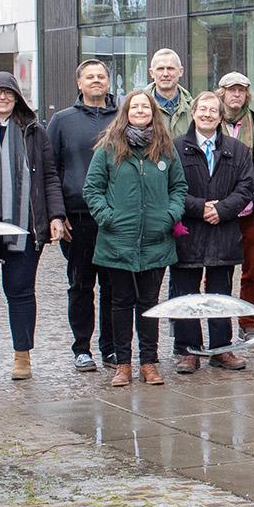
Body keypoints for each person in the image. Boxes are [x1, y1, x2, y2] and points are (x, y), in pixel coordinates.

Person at [0, 72, 64, 383]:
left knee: (20, 292)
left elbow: (49, 176)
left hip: (25, 226)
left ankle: (22, 355)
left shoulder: (34, 131)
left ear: (18, 97)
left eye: (9, 92)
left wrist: (55, 216)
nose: (3, 97)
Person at [85, 90, 186, 388]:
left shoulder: (165, 149)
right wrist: (108, 217)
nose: (140, 110)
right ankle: (123, 363)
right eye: (134, 106)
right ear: (125, 112)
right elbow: (92, 189)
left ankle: (149, 362)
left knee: (149, 303)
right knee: (120, 302)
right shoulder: (108, 148)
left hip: (156, 239)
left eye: (145, 106)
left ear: (153, 112)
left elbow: (179, 187)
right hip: (117, 239)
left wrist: (169, 215)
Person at [170, 91, 254, 374]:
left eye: (213, 110)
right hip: (188, 231)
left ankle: (221, 349)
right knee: (186, 294)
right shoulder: (175, 148)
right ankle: (188, 350)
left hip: (224, 231)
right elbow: (170, 189)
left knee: (220, 293)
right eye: (202, 109)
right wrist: (200, 207)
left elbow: (246, 188)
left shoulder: (237, 149)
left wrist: (222, 210)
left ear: (221, 117)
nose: (207, 114)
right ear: (193, 112)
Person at [49, 59, 120, 372]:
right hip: (77, 217)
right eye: (89, 77)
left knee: (114, 286)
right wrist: (56, 212)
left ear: (108, 82)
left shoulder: (123, 117)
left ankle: (112, 348)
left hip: (117, 218)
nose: (96, 81)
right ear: (79, 83)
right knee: (80, 285)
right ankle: (82, 348)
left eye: (101, 76)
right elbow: (50, 171)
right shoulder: (62, 121)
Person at [217, 72, 254, 339]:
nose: (236, 95)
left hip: (252, 210)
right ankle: (219, 323)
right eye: (231, 90)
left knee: (253, 268)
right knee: (218, 270)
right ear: (222, 93)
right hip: (220, 210)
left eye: (241, 90)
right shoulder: (210, 123)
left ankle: (248, 321)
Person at [148, 48, 195, 137]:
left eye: (170, 68)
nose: (165, 74)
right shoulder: (140, 109)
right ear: (151, 73)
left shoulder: (193, 109)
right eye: (160, 69)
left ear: (181, 71)